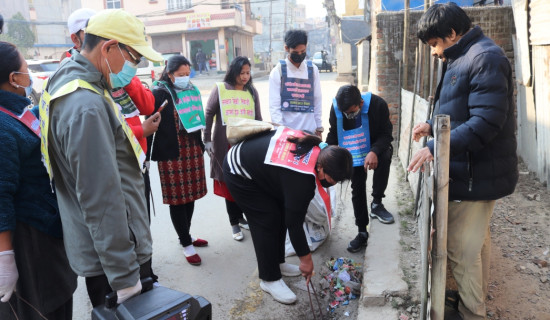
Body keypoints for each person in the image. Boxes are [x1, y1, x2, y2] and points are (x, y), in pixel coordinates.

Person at [40, 9, 163, 307]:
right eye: (134, 58)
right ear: (108, 48)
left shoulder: (71, 81)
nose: (134, 67)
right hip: (114, 259)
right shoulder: (86, 105)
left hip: (103, 249)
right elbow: (101, 200)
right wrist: (125, 277)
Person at [408, 3, 518, 319]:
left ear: (452, 33)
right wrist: (432, 125)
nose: (433, 52)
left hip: (475, 173)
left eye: (434, 44)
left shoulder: (484, 58)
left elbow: (485, 121)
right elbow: (459, 109)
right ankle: (474, 301)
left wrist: (436, 146)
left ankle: (474, 311)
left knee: (460, 250)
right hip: (472, 170)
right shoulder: (462, 57)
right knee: (476, 244)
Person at [223, 127, 353, 304]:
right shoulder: (302, 179)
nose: (332, 184)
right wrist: (306, 260)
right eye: (332, 179)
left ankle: (277, 262)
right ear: (321, 167)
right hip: (239, 171)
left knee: (280, 213)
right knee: (266, 221)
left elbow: (289, 214)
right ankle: (269, 279)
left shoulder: (319, 153)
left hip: (261, 169)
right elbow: (295, 222)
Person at [0, 41, 77, 320]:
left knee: (58, 298)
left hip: (45, 226)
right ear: (13, 79)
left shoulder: (18, 111)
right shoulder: (2, 126)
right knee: (43, 307)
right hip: (28, 239)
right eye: (25, 70)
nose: (29, 76)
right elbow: (2, 195)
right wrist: (5, 256)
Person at [148, 55, 208, 266]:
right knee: (177, 199)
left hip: (191, 149)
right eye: (180, 75)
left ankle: (186, 234)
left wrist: (204, 143)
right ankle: (185, 243)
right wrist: (145, 156)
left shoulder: (191, 90)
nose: (184, 78)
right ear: (170, 73)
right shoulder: (159, 93)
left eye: (186, 74)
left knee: (191, 196)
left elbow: (199, 117)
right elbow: (149, 125)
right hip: (171, 153)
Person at [326, 85, 395, 253]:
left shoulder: (378, 105)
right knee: (357, 187)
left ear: (361, 103)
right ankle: (362, 231)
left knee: (385, 155)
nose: (348, 115)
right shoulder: (337, 109)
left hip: (374, 146)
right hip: (353, 152)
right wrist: (325, 151)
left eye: (351, 112)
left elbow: (387, 135)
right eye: (345, 113)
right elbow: (334, 133)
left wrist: (374, 151)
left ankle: (377, 203)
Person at [203, 56, 261, 241]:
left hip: (245, 144)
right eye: (241, 73)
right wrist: (207, 140)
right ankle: (234, 223)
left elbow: (258, 118)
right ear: (233, 72)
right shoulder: (221, 89)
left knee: (245, 183)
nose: (245, 76)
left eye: (247, 72)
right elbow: (209, 114)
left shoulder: (251, 91)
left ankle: (242, 218)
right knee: (230, 186)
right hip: (225, 145)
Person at [269, 29, 323, 137]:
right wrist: (281, 132)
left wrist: (319, 126)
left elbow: (317, 99)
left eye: (302, 52)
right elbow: (274, 107)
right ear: (286, 48)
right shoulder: (277, 72)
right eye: (295, 52)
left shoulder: (312, 70)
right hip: (288, 134)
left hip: (310, 132)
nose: (299, 55)